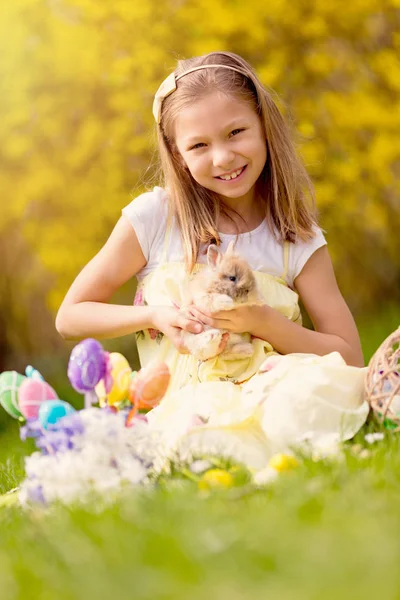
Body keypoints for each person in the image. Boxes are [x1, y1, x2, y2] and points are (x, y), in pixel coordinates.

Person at [56, 52, 368, 466]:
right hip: (186, 405)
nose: (222, 157)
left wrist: (264, 323)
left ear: (264, 127)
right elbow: (70, 317)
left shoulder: (296, 239)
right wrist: (155, 316)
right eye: (199, 145)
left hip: (271, 391)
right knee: (190, 436)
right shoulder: (155, 219)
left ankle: (268, 442)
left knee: (308, 401)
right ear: (177, 152)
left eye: (236, 132)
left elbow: (348, 358)